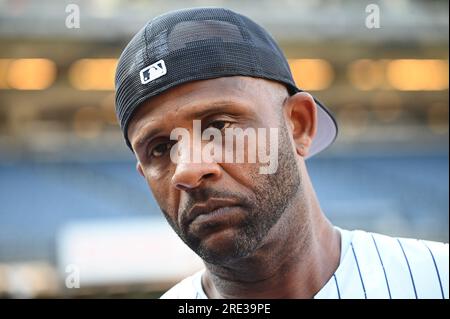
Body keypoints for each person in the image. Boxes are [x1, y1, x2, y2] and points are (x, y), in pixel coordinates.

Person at [114, 7, 448, 299]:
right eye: (160, 148)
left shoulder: (436, 279)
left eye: (219, 126)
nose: (187, 169)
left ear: (298, 124)